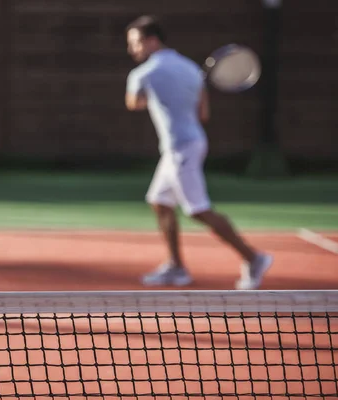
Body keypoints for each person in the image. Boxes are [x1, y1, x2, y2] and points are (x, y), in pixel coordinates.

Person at [124, 15, 273, 290]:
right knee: (160, 201)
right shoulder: (191, 69)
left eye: (135, 43)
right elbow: (202, 113)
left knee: (198, 210)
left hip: (181, 148)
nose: (132, 50)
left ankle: (254, 258)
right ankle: (176, 267)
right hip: (189, 142)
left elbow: (132, 103)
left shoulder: (142, 74)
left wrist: (156, 97)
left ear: (152, 40)